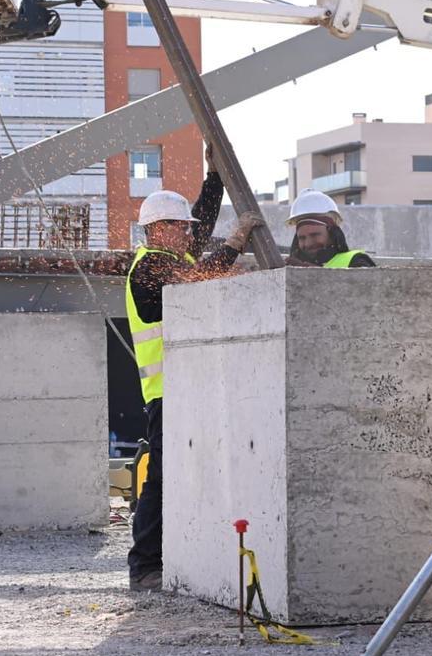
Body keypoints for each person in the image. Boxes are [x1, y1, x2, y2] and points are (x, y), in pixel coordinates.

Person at [125, 154, 263, 592]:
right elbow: (201, 274)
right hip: (166, 393)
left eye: (186, 226)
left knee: (188, 475)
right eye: (179, 226)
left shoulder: (170, 254)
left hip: (186, 391)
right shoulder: (150, 265)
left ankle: (173, 557)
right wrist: (237, 242)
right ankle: (145, 565)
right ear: (157, 229)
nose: (189, 232)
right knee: (162, 478)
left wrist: (214, 176)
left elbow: (201, 222)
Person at [285, 188, 375, 268]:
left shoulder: (357, 261)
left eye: (315, 235)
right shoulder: (292, 266)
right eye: (302, 238)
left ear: (332, 232)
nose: (308, 243)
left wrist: (316, 275)